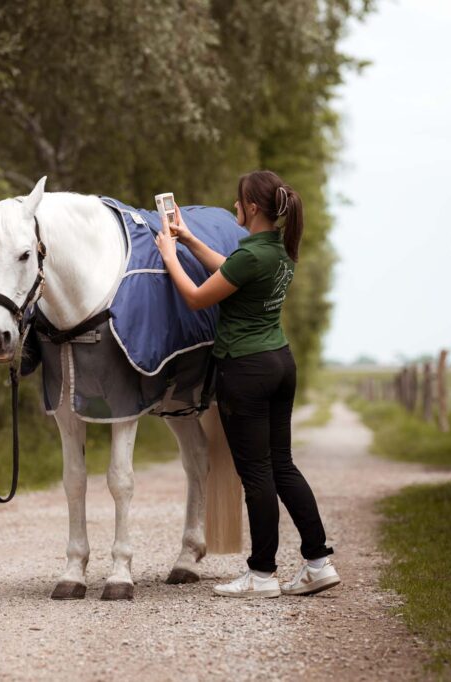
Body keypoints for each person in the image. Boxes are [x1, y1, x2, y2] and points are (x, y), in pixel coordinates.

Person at [154, 170, 340, 598]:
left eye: (239, 201)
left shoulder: (251, 254)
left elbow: (197, 297)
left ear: (253, 207)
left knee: (255, 473)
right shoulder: (278, 250)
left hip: (245, 369)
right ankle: (318, 562)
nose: (235, 206)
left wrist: (168, 255)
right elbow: (230, 272)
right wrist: (188, 239)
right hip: (280, 363)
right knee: (282, 466)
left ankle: (261, 573)